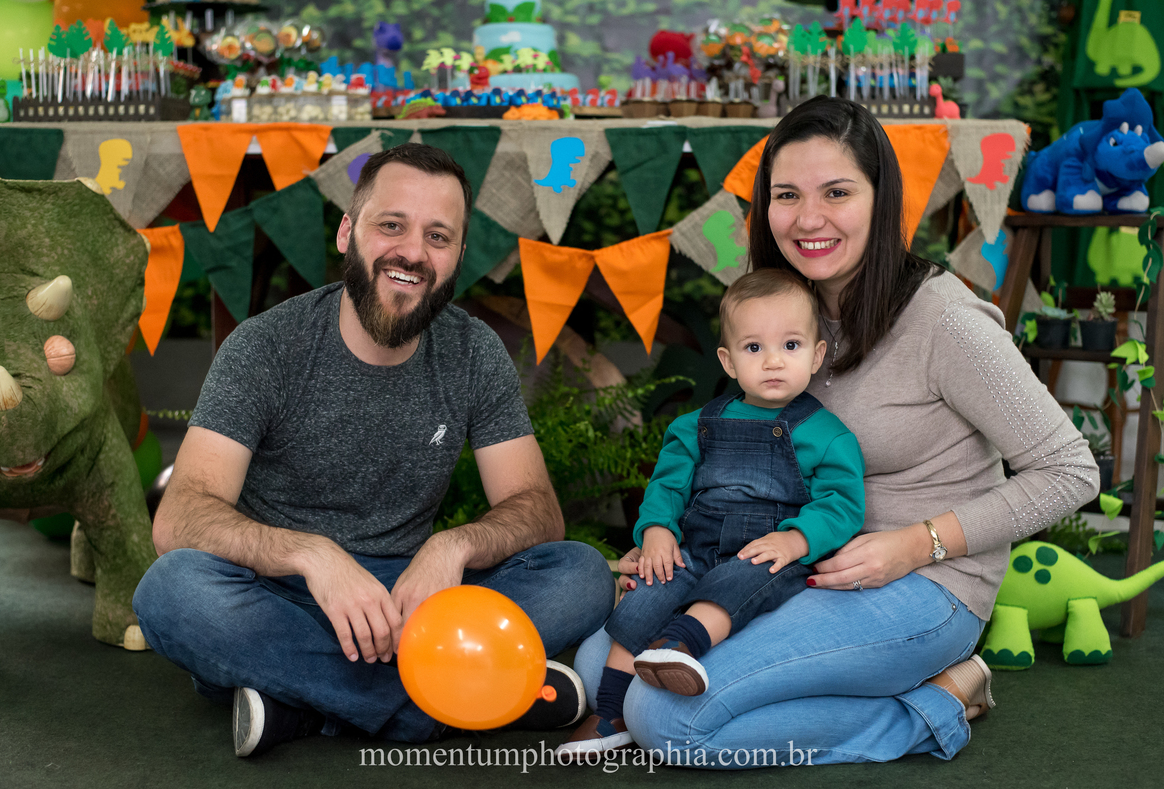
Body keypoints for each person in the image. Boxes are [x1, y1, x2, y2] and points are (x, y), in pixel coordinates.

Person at [574, 96, 1099, 767]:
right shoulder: (779, 310)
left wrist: (918, 544)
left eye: (838, 192)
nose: (809, 218)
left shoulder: (946, 321)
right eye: (787, 194)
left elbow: (1071, 470)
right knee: (602, 664)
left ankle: (935, 700)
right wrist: (668, 540)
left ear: (882, 201)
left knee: (664, 716)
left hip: (920, 587)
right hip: (783, 566)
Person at [132, 144, 615, 757]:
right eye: (392, 225)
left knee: (581, 575)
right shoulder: (265, 346)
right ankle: (450, 703)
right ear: (347, 231)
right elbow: (181, 518)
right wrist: (312, 555)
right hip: (280, 595)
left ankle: (301, 703)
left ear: (459, 256)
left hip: (417, 601)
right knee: (173, 591)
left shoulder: (474, 352)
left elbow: (538, 511)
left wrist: (452, 546)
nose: (412, 252)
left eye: (438, 236)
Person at [558, 270, 866, 758]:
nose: (772, 362)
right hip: (694, 546)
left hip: (763, 551)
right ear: (727, 360)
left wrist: (797, 540)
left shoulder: (828, 435)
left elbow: (843, 505)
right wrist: (657, 529)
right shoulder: (695, 426)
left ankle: (680, 648)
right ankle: (610, 715)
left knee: (738, 582)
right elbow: (667, 486)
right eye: (753, 348)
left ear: (817, 355)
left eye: (790, 345)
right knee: (642, 600)